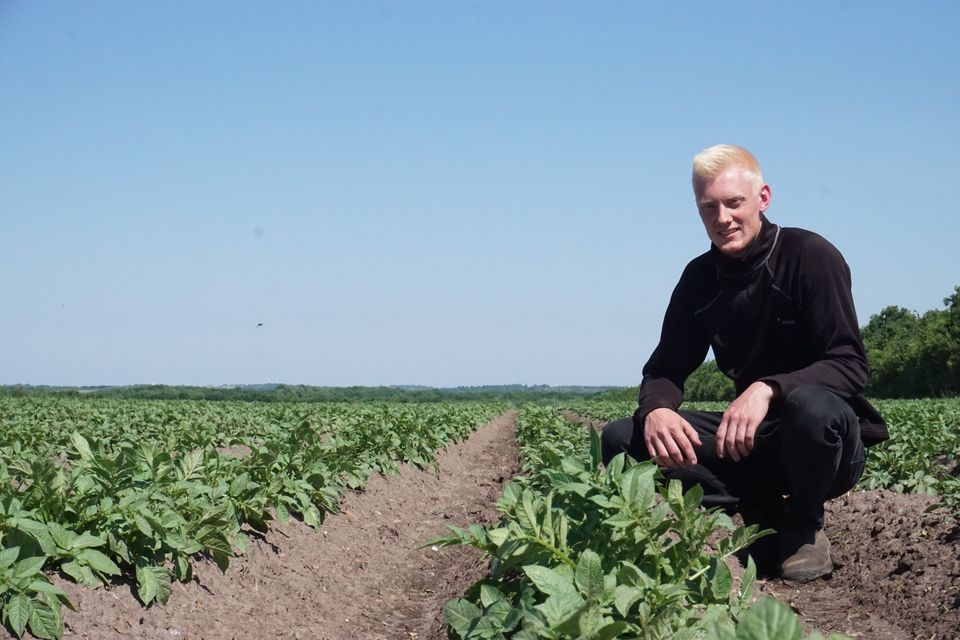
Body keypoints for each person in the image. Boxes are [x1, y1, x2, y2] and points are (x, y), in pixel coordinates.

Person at [600, 144, 888, 582]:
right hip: (749, 441)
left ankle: (804, 525)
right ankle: (760, 511)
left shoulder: (810, 256)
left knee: (810, 406)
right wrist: (656, 409)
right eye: (708, 207)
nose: (723, 218)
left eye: (734, 203)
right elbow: (664, 369)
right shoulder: (699, 279)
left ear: (763, 198)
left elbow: (849, 364)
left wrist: (768, 388)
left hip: (824, 446)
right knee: (622, 438)